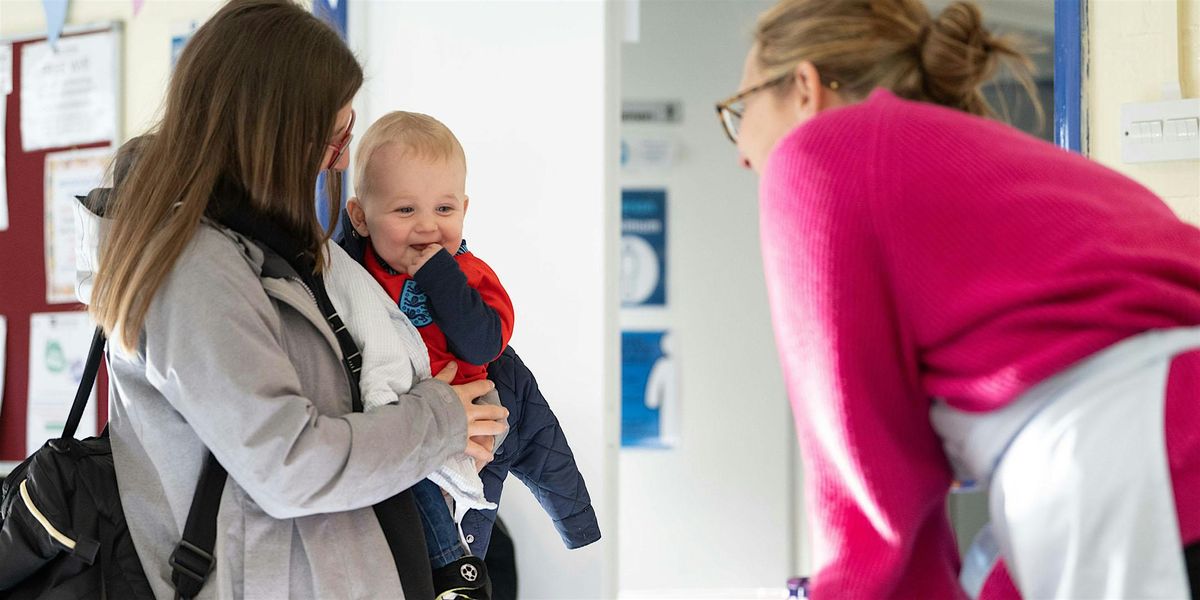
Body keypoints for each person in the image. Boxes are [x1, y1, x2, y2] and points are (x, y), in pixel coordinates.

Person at [717, 0, 1200, 597]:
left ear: (804, 88)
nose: (741, 151)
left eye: (740, 108)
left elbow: (867, 503)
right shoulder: (1003, 159)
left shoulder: (818, 153)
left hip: (1141, 457)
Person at [83, 1, 506, 597]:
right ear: (276, 138)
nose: (340, 160)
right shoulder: (194, 269)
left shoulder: (267, 246)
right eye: (335, 139)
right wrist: (438, 421)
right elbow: (289, 464)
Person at [332, 111, 601, 596]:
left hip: (471, 431)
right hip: (394, 431)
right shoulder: (349, 275)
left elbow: (483, 343)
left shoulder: (470, 274)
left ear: (465, 209)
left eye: (444, 209)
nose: (428, 227)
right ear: (360, 217)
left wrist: (439, 277)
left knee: (459, 542)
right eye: (405, 210)